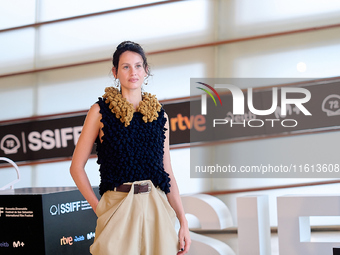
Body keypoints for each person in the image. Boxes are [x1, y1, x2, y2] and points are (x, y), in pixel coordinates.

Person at [70, 41, 191, 255]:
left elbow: (167, 171)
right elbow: (76, 167)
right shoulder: (99, 112)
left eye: (138, 66)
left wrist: (183, 220)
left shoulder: (160, 116)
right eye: (125, 67)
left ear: (146, 71)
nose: (132, 72)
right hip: (117, 206)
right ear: (115, 72)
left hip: (157, 207)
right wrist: (99, 208)